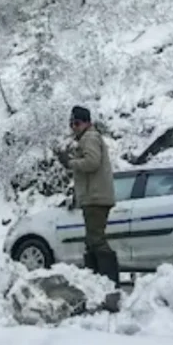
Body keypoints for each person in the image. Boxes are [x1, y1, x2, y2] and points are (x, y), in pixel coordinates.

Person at [56, 106, 119, 287]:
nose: (73, 127)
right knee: (91, 241)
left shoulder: (90, 137)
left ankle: (109, 283)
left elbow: (92, 162)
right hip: (94, 197)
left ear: (87, 122)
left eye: (76, 123)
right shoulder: (88, 138)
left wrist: (71, 163)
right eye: (71, 124)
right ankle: (97, 282)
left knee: (96, 240)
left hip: (95, 197)